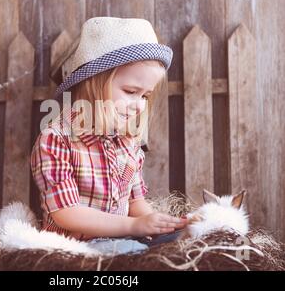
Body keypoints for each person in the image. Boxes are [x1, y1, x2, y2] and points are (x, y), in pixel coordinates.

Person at [30, 17, 188, 256]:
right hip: (74, 247)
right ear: (93, 84)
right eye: (131, 92)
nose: (139, 106)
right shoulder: (56, 139)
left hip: (122, 238)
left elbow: (135, 203)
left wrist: (161, 224)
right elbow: (66, 213)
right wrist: (134, 226)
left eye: (145, 96)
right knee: (134, 253)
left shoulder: (128, 142)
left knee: (180, 243)